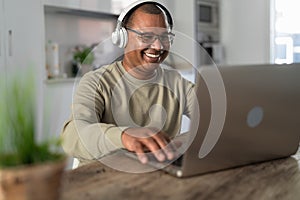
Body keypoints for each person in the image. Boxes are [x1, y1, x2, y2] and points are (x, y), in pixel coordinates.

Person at [61, 1, 195, 166]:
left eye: (164, 37)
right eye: (146, 36)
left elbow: (215, 114)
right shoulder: (96, 81)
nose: (158, 46)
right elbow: (71, 135)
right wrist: (123, 137)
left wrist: (176, 144)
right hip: (103, 180)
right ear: (122, 38)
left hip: (155, 176)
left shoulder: (176, 83)